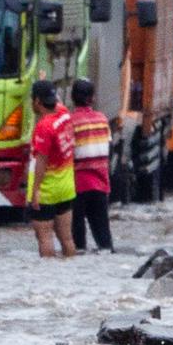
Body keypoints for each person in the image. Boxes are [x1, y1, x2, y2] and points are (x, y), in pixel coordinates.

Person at [27, 79, 76, 257]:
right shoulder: (65, 114)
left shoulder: (44, 127)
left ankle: (48, 280)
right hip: (66, 188)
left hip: (47, 190)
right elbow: (58, 101)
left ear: (37, 102)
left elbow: (41, 160)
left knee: (45, 238)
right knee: (67, 239)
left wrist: (36, 190)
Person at [69, 77, 113, 252]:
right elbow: (107, 147)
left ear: (72, 97)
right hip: (101, 184)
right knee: (104, 238)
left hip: (78, 185)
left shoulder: (71, 122)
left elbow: (69, 152)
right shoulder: (102, 120)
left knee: (78, 241)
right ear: (92, 98)